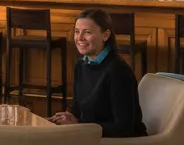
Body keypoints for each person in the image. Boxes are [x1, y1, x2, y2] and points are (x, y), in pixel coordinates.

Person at [51, 9, 146, 137]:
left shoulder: (118, 71)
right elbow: (77, 109)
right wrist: (69, 117)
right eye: (77, 32)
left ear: (105, 35)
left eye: (87, 32)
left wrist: (79, 125)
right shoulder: (80, 65)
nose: (79, 38)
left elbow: (124, 127)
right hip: (92, 137)